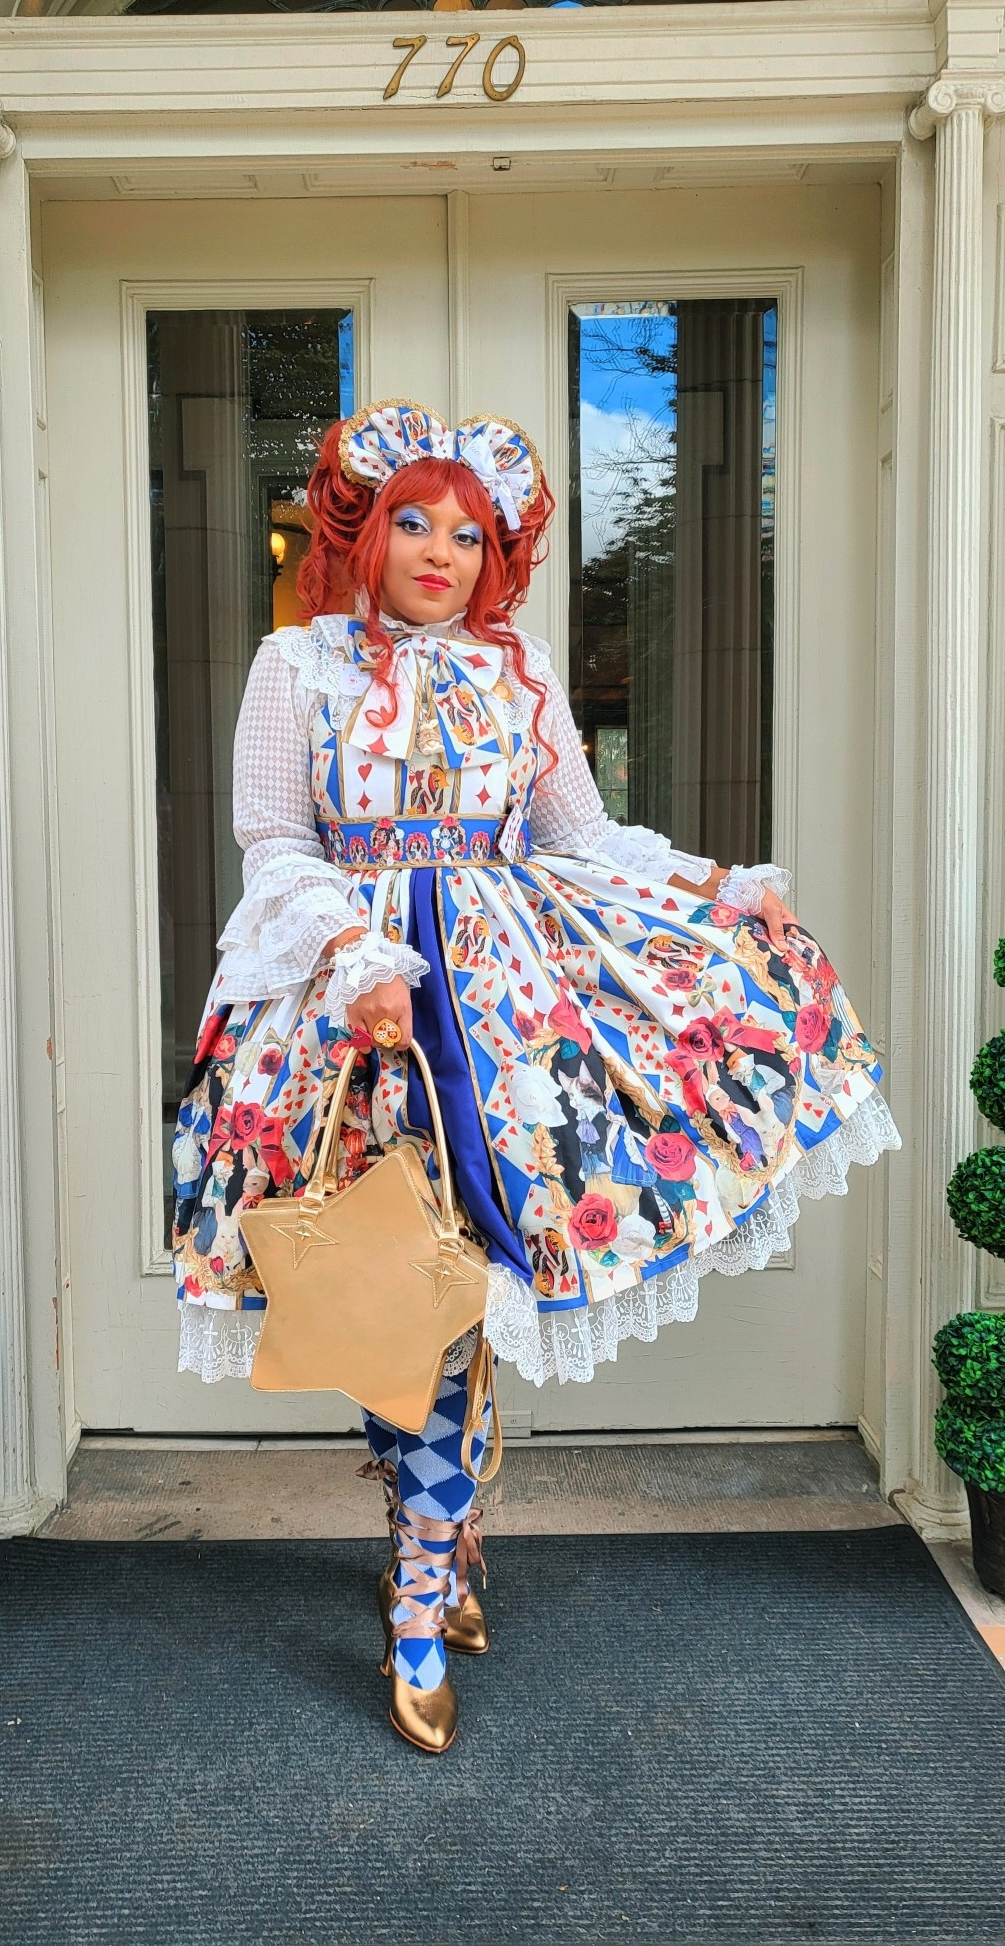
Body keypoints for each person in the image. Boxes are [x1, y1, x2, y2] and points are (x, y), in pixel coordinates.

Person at [171, 400, 901, 1754]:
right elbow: (272, 838)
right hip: (351, 1008)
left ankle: (426, 1572)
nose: (442, 551)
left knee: (462, 1289)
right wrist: (353, 947)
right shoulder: (299, 663)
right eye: (415, 521)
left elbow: (581, 835)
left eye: (470, 530)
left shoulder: (519, 670)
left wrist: (718, 889)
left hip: (507, 1009)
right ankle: (434, 1547)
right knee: (383, 1281)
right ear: (365, 529)